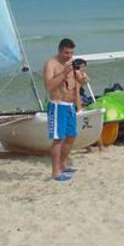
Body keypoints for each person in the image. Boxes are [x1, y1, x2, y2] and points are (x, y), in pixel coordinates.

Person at [43, 38, 80, 181]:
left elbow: (73, 83)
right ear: (59, 50)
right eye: (66, 52)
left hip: (70, 105)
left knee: (71, 136)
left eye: (71, 53)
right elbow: (49, 86)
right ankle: (55, 171)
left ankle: (63, 164)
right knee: (58, 139)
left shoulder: (70, 63)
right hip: (57, 105)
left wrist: (77, 99)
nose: (69, 55)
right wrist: (63, 73)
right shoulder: (51, 64)